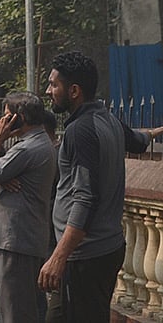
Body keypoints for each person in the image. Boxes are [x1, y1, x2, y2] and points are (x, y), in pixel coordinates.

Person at [38, 51, 163, 322]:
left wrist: (60, 256)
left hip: (84, 255)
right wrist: (156, 131)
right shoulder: (108, 120)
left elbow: (85, 197)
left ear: (73, 91)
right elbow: (138, 141)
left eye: (53, 84)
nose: (49, 91)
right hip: (103, 249)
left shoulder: (80, 130)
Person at [0, 92, 57, 323]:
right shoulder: (35, 144)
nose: (3, 123)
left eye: (7, 117)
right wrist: (0, 176)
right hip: (23, 238)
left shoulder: (26, 149)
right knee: (19, 308)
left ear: (21, 117)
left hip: (16, 240)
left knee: (13, 311)